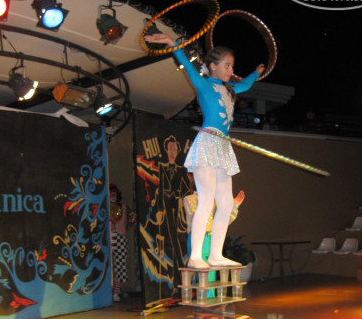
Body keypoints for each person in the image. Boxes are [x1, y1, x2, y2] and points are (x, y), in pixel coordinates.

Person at [144, 33, 265, 269]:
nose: (231, 70)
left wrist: (256, 72)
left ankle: (216, 255)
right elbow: (187, 66)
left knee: (226, 204)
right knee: (206, 200)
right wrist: (173, 44)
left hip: (223, 147)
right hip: (208, 142)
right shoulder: (203, 84)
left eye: (232, 66)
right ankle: (196, 256)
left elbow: (245, 84)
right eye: (227, 65)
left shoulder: (230, 89)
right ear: (212, 66)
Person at [183, 181, 245, 295]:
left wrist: (234, 205)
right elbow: (194, 218)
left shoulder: (214, 201)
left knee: (211, 273)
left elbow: (223, 221)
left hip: (211, 239)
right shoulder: (190, 199)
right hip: (198, 239)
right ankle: (206, 300)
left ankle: (210, 299)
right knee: (203, 273)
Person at [109, 184, 136, 301]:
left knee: (119, 265)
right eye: (111, 194)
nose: (113, 197)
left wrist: (126, 227)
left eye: (114, 194)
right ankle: (110, 291)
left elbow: (133, 217)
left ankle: (116, 292)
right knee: (109, 266)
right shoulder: (104, 207)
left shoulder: (123, 208)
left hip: (120, 238)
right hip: (108, 238)